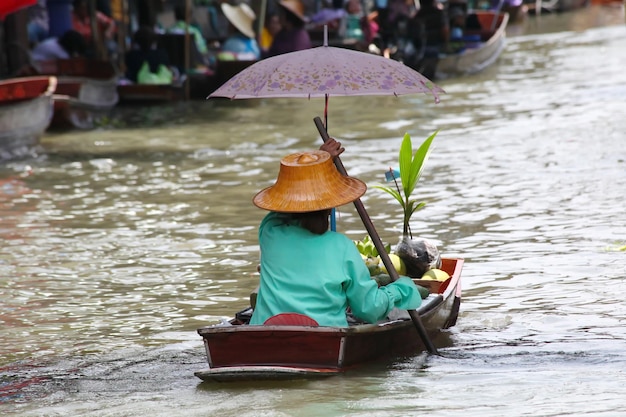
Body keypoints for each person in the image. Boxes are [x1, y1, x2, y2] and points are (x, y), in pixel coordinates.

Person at [249, 139, 422, 327]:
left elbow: (281, 208)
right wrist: (399, 290)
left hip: (265, 333)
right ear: (329, 205)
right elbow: (369, 308)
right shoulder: (341, 246)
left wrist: (322, 160)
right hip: (325, 338)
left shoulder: (270, 232)